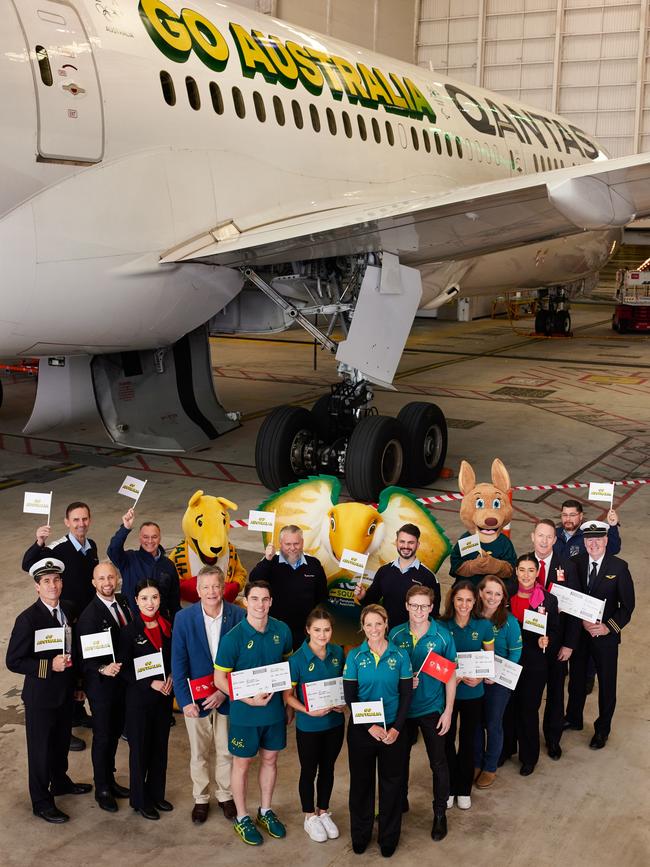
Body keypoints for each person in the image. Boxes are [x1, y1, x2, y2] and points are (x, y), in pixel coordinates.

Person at [6, 558, 92, 823]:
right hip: (41, 697)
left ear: (61, 582)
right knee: (40, 750)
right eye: (46, 581)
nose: (52, 585)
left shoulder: (68, 609)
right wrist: (48, 665)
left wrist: (78, 685)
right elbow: (13, 661)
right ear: (37, 587)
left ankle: (61, 782)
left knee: (59, 744)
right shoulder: (28, 619)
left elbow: (74, 651)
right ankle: (41, 801)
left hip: (65, 693)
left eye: (56, 580)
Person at [213, 580, 293, 846]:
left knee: (270, 760)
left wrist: (287, 703)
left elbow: (286, 669)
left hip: (273, 714)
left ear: (271, 602)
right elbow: (219, 679)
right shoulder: (233, 638)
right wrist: (246, 699)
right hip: (245, 714)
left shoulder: (282, 630)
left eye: (265, 599)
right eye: (255, 599)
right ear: (246, 601)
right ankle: (242, 817)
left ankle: (266, 811)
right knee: (242, 764)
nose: (260, 604)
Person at [171, 565, 245, 825]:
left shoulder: (238, 615)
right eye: (206, 587)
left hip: (226, 698)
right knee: (199, 753)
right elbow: (178, 663)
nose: (211, 592)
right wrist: (184, 702)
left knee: (226, 751)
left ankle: (225, 795)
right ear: (198, 590)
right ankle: (201, 798)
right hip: (196, 701)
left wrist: (224, 693)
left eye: (216, 586)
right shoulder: (184, 618)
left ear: (223, 588)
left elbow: (243, 662)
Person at [22, 500, 98, 741]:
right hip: (66, 619)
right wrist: (39, 543)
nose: (80, 524)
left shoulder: (91, 546)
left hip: (86, 619)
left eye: (84, 519)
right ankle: (67, 722)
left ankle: (77, 712)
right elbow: (28, 564)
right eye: (75, 519)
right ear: (67, 522)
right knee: (65, 667)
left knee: (81, 666)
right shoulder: (58, 548)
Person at [343, 604, 412, 858]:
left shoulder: (400, 655)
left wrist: (396, 729)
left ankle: (388, 837)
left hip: (393, 729)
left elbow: (406, 695)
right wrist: (369, 726)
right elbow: (350, 696)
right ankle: (360, 834)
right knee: (361, 784)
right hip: (363, 730)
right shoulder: (355, 657)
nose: (374, 629)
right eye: (368, 624)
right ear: (363, 627)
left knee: (392, 785)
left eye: (378, 623)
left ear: (386, 624)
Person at [389, 586, 456, 842]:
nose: (419, 611)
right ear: (406, 605)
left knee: (438, 763)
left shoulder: (442, 637)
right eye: (414, 605)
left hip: (431, 708)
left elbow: (450, 676)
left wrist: (448, 712)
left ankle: (440, 813)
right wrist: (402, 683)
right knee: (399, 759)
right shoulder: (395, 635)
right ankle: (400, 800)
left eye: (424, 606)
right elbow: (387, 672)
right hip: (402, 711)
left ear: (431, 607)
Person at [563, 521, 635, 749]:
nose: (593, 544)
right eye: (589, 540)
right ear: (584, 542)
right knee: (576, 678)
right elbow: (570, 596)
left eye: (598, 540)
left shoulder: (619, 567)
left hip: (605, 637)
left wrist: (608, 627)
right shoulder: (575, 563)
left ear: (606, 541)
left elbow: (627, 606)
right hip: (580, 634)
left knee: (606, 683)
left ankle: (602, 729)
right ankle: (573, 718)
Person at [283, 607, 345, 843]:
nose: (322, 635)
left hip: (335, 722)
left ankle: (323, 811)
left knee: (328, 768)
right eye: (317, 630)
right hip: (309, 726)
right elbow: (288, 696)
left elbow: (344, 685)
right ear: (308, 630)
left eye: (327, 629)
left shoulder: (338, 652)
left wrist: (344, 704)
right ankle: (309, 816)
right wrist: (308, 710)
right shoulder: (297, 659)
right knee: (309, 770)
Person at [76, 561, 132, 812]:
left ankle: (111, 778)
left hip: (122, 683)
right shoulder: (90, 616)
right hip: (102, 687)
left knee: (116, 731)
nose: (107, 583)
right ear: (93, 583)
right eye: (102, 579)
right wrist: (102, 669)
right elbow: (85, 658)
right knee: (103, 737)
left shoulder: (123, 603)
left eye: (111, 577)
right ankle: (102, 788)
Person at [118, 578, 174, 820]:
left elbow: (174, 657)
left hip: (163, 699)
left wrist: (172, 676)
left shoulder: (167, 627)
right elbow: (124, 668)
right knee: (140, 750)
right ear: (136, 601)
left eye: (154, 597)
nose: (150, 603)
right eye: (144, 598)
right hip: (139, 700)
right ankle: (140, 800)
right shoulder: (129, 632)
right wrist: (151, 682)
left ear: (160, 600)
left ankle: (157, 794)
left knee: (160, 747)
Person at [438, 581, 494, 810]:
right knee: (447, 741)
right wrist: (450, 676)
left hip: (473, 692)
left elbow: (489, 660)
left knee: (469, 741)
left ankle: (463, 789)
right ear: (452, 599)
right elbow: (436, 661)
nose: (464, 604)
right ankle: (450, 787)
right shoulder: (441, 625)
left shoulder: (483, 625)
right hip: (446, 694)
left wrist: (480, 677)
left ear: (475, 602)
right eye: (459, 599)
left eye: (469, 600)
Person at [506, 553, 559, 776]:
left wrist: (548, 640)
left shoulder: (548, 600)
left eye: (531, 570)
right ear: (516, 571)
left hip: (535, 663)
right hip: (508, 660)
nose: (526, 575)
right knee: (507, 709)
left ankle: (529, 757)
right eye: (522, 570)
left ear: (537, 573)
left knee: (528, 710)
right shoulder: (505, 596)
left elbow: (555, 630)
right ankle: (506, 750)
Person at [529, 519, 576, 759]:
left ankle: (553, 738)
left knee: (556, 694)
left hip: (557, 644)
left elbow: (574, 611)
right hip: (530, 644)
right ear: (532, 537)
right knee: (529, 695)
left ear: (555, 540)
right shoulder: (524, 564)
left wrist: (569, 644)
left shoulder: (566, 567)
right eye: (540, 536)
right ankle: (525, 738)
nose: (544, 541)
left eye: (549, 537)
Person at [473, 575, 522, 788]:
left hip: (497, 683)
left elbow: (515, 653)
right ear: (480, 593)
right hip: (473, 679)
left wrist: (498, 676)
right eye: (488, 592)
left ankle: (490, 766)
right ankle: (474, 762)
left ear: (503, 598)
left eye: (498, 594)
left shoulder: (509, 622)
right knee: (474, 725)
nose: (492, 597)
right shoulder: (471, 617)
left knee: (493, 724)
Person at [249, 525, 328, 650]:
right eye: (288, 544)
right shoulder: (270, 561)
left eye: (296, 544)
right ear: (280, 543)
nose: (292, 548)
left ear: (302, 543)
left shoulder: (314, 564)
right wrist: (267, 560)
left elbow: (322, 595)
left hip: (305, 631)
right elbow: (253, 581)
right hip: (274, 630)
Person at [355, 523, 441, 629]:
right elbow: (371, 600)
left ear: (418, 545)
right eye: (402, 542)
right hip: (388, 633)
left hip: (414, 637)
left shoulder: (428, 577)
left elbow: (434, 614)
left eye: (411, 543)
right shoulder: (384, 571)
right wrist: (363, 596)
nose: (406, 546)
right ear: (396, 543)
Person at [107, 508, 181, 622]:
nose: (150, 541)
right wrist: (125, 528)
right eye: (146, 537)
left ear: (160, 538)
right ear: (140, 538)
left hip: (161, 624)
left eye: (154, 537)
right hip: (133, 624)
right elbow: (113, 551)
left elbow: (174, 601)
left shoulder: (168, 565)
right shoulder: (129, 559)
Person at [553, 500, 621, 560]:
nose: (568, 519)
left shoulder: (589, 534)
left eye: (572, 515)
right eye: (564, 515)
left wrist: (613, 526)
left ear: (581, 516)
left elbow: (614, 549)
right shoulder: (553, 534)